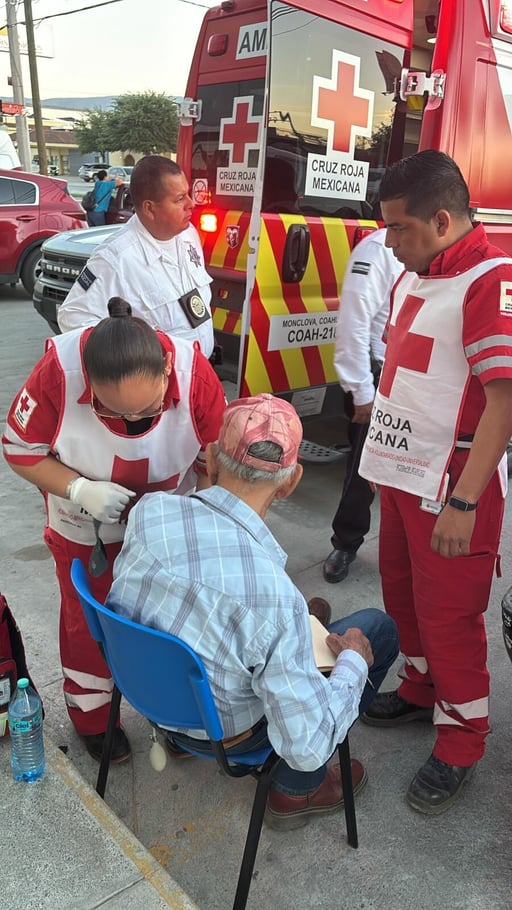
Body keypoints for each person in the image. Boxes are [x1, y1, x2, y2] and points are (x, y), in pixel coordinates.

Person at [107, 393, 399, 830]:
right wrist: (354, 660)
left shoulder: (151, 513)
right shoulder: (273, 597)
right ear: (291, 482)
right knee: (376, 629)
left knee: (286, 622)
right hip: (231, 736)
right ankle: (298, 789)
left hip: (152, 698)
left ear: (211, 456)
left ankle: (181, 738)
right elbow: (307, 743)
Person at [2, 297, 226, 763]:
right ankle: (92, 715)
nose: (132, 424)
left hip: (168, 520)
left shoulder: (193, 372)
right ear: (89, 381)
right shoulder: (58, 371)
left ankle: (174, 717)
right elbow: (19, 447)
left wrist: (203, 514)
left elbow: (214, 454)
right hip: (84, 524)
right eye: (114, 412)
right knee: (88, 623)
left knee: (170, 622)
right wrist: (79, 488)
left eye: (146, 412)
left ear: (166, 369)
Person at [358, 150, 512, 814]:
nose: (390, 244)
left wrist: (464, 501)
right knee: (402, 592)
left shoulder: (490, 279)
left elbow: (504, 401)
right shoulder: (414, 276)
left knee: (450, 616)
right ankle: (422, 686)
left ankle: (461, 738)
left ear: (442, 219)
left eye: (400, 230)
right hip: (400, 472)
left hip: (452, 483)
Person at [58, 156, 214, 359]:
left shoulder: (188, 234)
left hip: (200, 374)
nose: (191, 204)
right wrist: (133, 365)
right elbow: (73, 319)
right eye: (179, 199)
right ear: (149, 208)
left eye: (188, 195)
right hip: (159, 384)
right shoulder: (115, 259)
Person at [323, 228, 402, 583]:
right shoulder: (377, 249)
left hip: (412, 372)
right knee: (362, 470)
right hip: (379, 373)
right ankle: (346, 542)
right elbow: (353, 322)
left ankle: (405, 548)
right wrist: (362, 392)